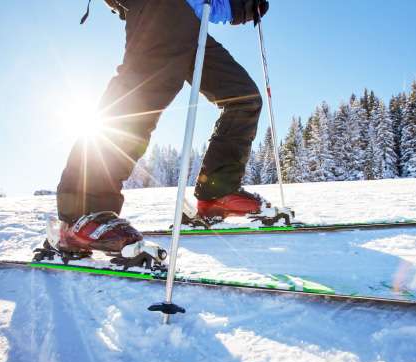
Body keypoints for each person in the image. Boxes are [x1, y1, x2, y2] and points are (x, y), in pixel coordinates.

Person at [53, 0, 271, 255]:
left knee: (243, 99)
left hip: (190, 19)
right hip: (159, 8)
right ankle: (82, 214)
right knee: (142, 94)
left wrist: (241, 6)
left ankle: (216, 193)